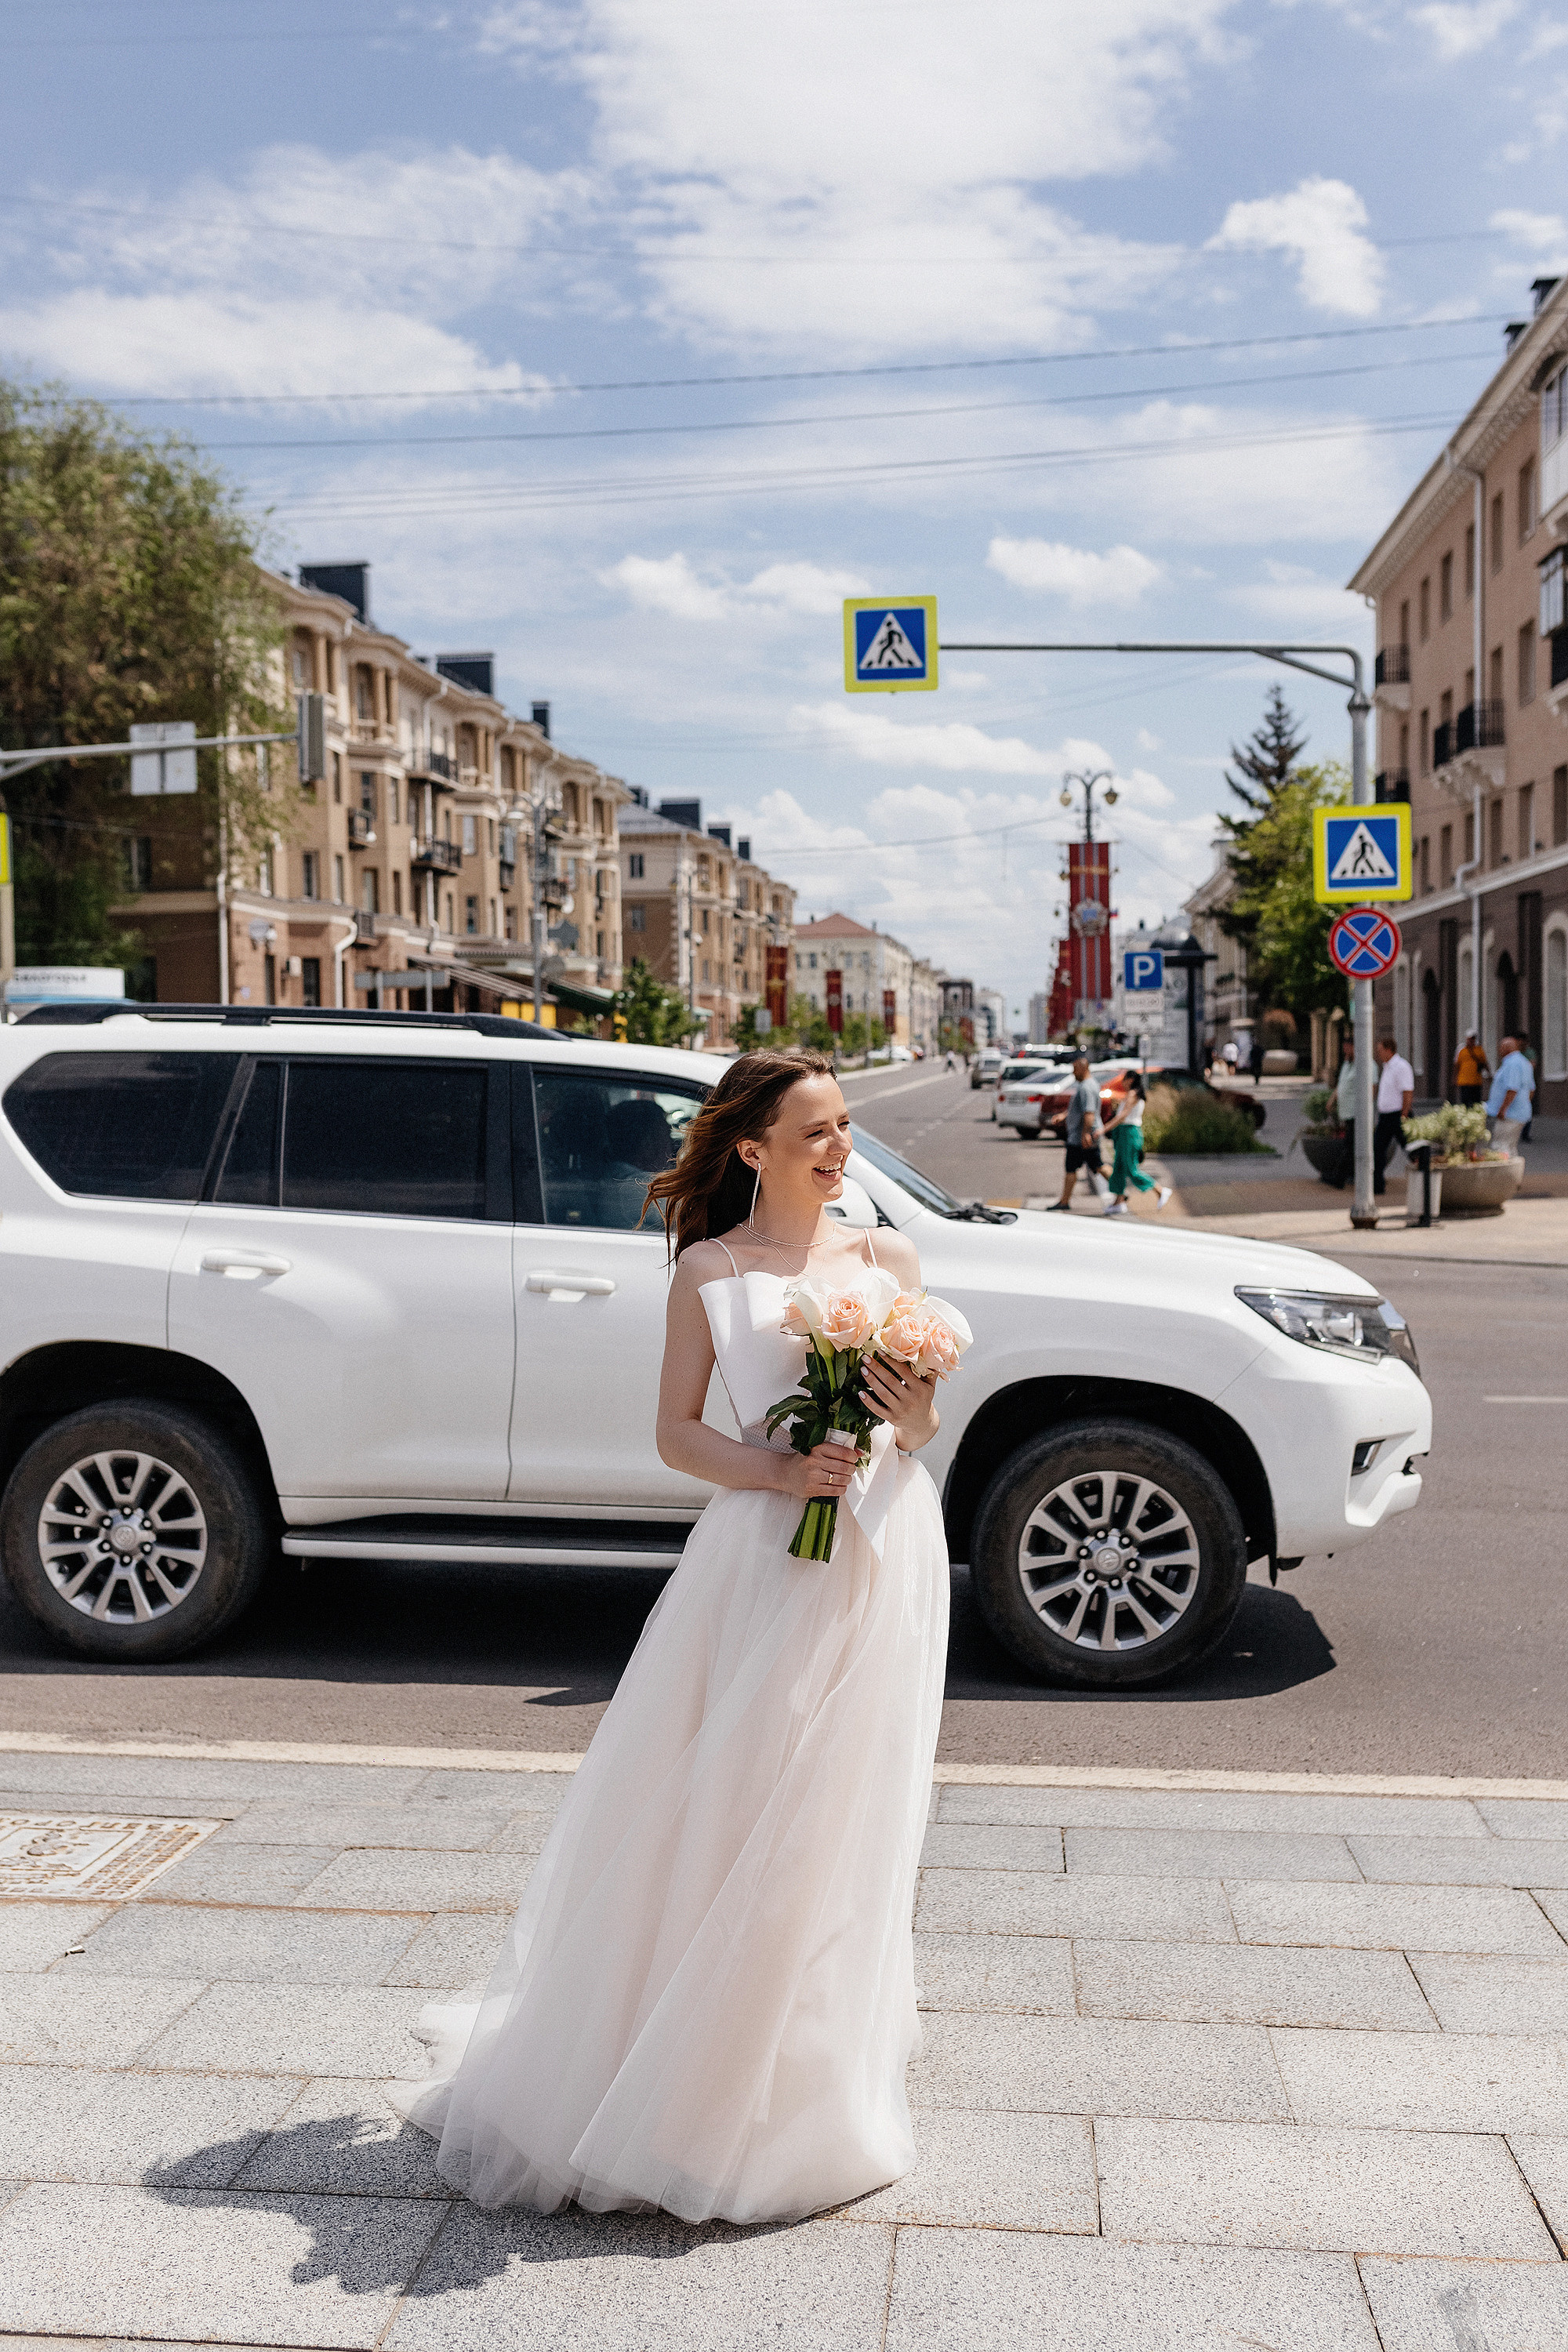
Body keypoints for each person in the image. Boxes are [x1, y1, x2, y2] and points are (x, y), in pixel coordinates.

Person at [389, 1049, 950, 2223]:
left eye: (844, 1126)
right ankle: (687, 2081)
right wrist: (782, 1470)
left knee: (845, 1808)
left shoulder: (887, 1259)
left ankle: (802, 2081)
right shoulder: (708, 1269)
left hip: (884, 1546)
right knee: (745, 1802)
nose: (840, 1149)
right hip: (768, 1558)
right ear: (751, 1150)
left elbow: (917, 1424)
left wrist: (912, 1417)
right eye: (815, 1132)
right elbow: (677, 1434)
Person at [1101, 1072, 1173, 1218]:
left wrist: (1104, 1129)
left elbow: (1123, 1116)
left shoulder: (1133, 1094)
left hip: (1129, 1133)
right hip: (1124, 1133)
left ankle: (1160, 1190)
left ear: (1131, 1080)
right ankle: (1119, 1201)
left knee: (1130, 1168)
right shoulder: (1131, 1094)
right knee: (1119, 1167)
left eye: (1125, 1080)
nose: (1123, 1083)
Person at [1047, 1054, 1108, 1211]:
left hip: (1081, 1137)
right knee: (1093, 1166)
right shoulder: (1087, 1085)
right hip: (1081, 1136)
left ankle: (1064, 1201)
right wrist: (1064, 1115)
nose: (1073, 1072)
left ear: (1083, 1067)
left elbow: (1089, 1113)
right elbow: (1081, 1109)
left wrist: (1085, 1134)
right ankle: (1064, 1200)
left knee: (1089, 1167)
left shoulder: (1087, 1087)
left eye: (1075, 1069)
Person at [1373, 1033, 1414, 1196]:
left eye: (1380, 1050)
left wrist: (1404, 1114)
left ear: (1389, 1050)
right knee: (1378, 1149)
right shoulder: (1387, 1067)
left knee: (1411, 1148)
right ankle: (1377, 1185)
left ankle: (1424, 1177)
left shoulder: (1401, 1066)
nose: (1378, 1054)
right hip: (1385, 1117)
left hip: (1398, 1115)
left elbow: (1407, 1092)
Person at [1486, 1032, 1535, 1156]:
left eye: (1501, 1047)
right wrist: (1524, 1104)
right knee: (1511, 1147)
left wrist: (1503, 1109)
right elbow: (1531, 1090)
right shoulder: (1524, 1062)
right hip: (1520, 1113)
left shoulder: (1512, 1063)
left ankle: (1504, 1169)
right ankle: (1513, 1168)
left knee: (1500, 1146)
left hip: (1510, 1114)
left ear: (1507, 1048)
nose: (1499, 1051)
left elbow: (1512, 1089)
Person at [1332, 1035, 1357, 1189]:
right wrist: (1332, 1100)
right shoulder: (1347, 1064)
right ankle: (1348, 1175)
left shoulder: (1364, 1065)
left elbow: (1372, 1088)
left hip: (1357, 1113)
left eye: (1347, 1047)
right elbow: (1341, 1084)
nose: (1344, 1050)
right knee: (1351, 1146)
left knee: (1350, 1146)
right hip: (1347, 1112)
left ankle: (1339, 1178)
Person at [1453, 1031, 1487, 1107]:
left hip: (1476, 1081)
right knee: (1465, 1102)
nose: (1471, 1041)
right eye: (1470, 1039)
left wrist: (1489, 1073)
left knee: (1476, 1102)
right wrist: (1455, 1078)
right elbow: (1456, 1065)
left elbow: (1484, 1063)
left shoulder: (1479, 1049)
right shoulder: (1461, 1050)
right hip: (1464, 1081)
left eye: (1473, 1039)